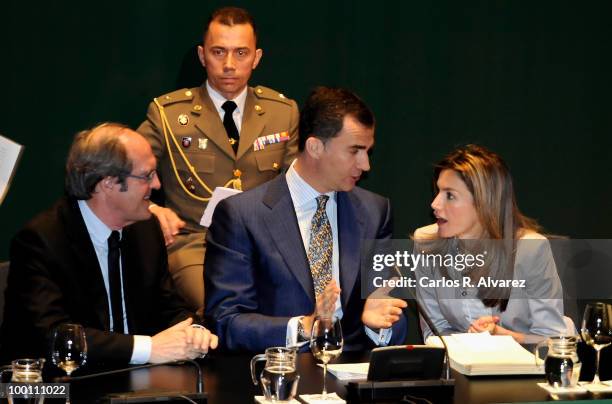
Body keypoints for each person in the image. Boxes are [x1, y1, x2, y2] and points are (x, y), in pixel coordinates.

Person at [204, 87, 407, 352]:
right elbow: (226, 321)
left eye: (368, 151)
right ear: (315, 147)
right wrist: (304, 328)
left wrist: (379, 324)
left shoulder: (375, 211)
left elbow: (390, 311)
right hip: (277, 375)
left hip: (351, 376)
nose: (366, 164)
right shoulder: (241, 215)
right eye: (354, 151)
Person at [0, 123, 218, 365]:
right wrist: (149, 349)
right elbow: (54, 335)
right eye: (147, 175)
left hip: (138, 380)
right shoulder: (42, 240)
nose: (157, 184)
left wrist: (193, 331)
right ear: (108, 183)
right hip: (59, 385)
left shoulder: (145, 229)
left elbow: (167, 305)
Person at [137, 7, 299, 312]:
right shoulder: (168, 114)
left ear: (257, 57)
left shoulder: (283, 112)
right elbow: (125, 168)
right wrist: (151, 209)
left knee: (294, 304)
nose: (229, 65)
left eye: (240, 53)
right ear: (202, 56)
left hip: (264, 245)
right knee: (222, 306)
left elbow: (297, 186)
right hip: (197, 244)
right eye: (218, 52)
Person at [414, 144, 566, 344]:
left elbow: (554, 340)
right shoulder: (426, 242)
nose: (435, 204)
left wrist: (501, 338)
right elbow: (435, 332)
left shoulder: (531, 249)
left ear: (484, 202)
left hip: (521, 370)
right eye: (438, 191)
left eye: (449, 195)